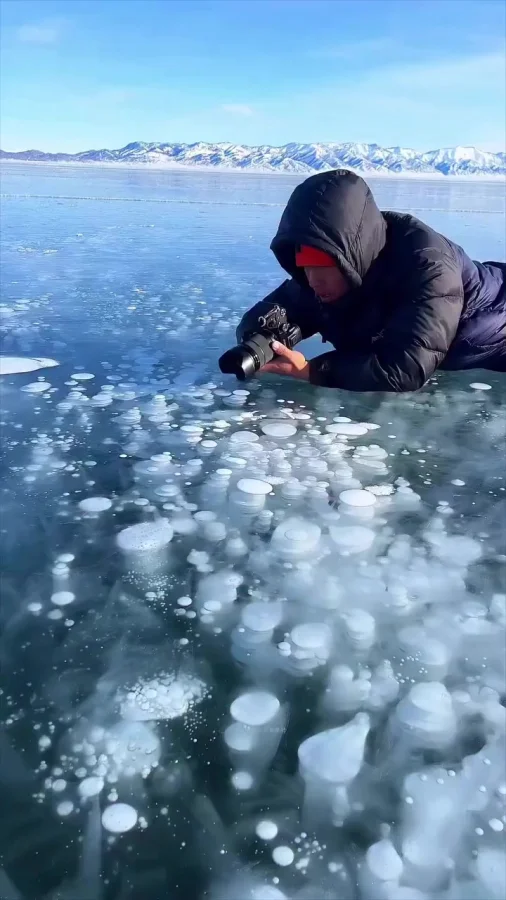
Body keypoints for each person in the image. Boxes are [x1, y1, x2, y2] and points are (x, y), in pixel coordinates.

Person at [236, 169, 506, 392]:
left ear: (349, 255)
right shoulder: (331, 266)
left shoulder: (428, 265)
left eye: (325, 267)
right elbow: (274, 309)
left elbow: (406, 368)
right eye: (306, 267)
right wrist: (257, 340)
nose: (314, 281)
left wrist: (312, 371)